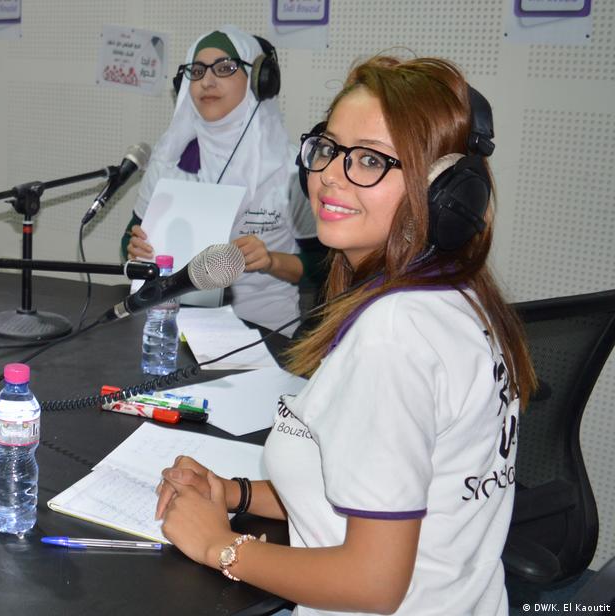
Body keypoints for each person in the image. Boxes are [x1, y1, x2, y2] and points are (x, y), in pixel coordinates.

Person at [154, 55, 536, 615]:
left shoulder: (394, 335)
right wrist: (235, 493)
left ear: (442, 194)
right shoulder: (460, 299)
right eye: (329, 148)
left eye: (370, 160)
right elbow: (387, 495)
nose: (331, 173)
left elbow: (373, 582)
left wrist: (219, 545)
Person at [122, 26, 323, 335]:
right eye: (197, 71)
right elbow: (129, 239)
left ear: (259, 80)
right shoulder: (169, 158)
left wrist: (272, 261)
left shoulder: (291, 169)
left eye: (225, 68)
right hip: (170, 324)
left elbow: (324, 266)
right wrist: (134, 249)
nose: (207, 81)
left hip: (262, 332)